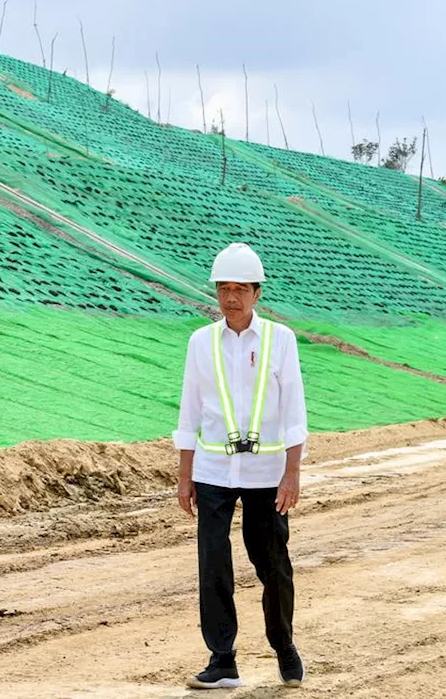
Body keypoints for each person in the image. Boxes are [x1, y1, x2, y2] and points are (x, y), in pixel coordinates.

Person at [173, 242, 307, 691]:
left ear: (256, 293)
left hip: (266, 475)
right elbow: (189, 412)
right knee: (213, 564)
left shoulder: (279, 340)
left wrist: (292, 473)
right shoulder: (200, 342)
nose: (230, 297)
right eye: (223, 288)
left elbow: (294, 412)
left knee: (272, 564)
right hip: (212, 471)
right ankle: (222, 659)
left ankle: (283, 645)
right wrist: (184, 474)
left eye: (240, 289)